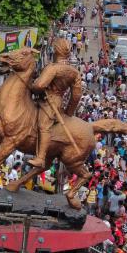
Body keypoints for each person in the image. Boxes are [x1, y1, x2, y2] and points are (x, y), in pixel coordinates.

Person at [27, 39, 83, 170]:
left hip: (49, 101)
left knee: (43, 125)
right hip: (58, 101)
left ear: (56, 51)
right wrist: (68, 112)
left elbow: (40, 85)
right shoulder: (74, 72)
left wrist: (33, 86)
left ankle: (40, 157)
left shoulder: (52, 68)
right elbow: (76, 96)